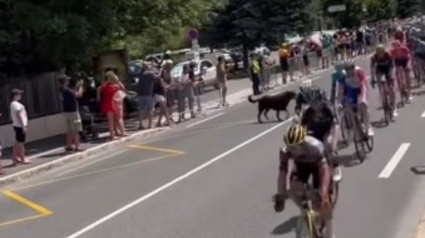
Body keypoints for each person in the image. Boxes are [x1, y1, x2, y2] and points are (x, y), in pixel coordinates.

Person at [274, 124, 334, 238]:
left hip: (319, 165)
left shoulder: (315, 146)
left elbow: (324, 170)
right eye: (290, 147)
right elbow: (283, 173)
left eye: (296, 147)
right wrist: (280, 196)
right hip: (302, 165)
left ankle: (330, 233)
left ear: (303, 143)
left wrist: (324, 192)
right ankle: (304, 210)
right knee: (292, 189)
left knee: (325, 200)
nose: (293, 150)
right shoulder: (284, 152)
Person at [295, 85, 341, 182]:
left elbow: (335, 126)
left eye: (316, 102)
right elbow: (302, 127)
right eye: (311, 102)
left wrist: (333, 143)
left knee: (328, 144)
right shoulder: (308, 112)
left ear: (321, 100)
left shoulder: (328, 109)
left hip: (327, 131)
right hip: (314, 134)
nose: (314, 104)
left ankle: (336, 166)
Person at [335, 60, 374, 136]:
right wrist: (339, 103)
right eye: (347, 69)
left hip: (360, 89)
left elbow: (363, 86)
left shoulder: (359, 72)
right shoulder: (343, 76)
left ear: (354, 68)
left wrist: (363, 99)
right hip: (352, 90)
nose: (350, 71)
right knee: (349, 106)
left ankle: (368, 126)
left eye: (351, 69)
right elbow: (341, 91)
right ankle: (355, 126)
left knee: (363, 106)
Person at [98, 70, 127, 140]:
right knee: (118, 118)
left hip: (107, 103)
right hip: (114, 103)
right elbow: (123, 89)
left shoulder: (104, 86)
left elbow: (99, 89)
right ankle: (121, 132)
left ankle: (113, 135)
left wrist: (98, 97)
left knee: (111, 120)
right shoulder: (115, 86)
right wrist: (118, 81)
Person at [59, 75, 85, 152]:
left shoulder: (61, 89)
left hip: (66, 111)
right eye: (67, 80)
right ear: (65, 81)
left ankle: (69, 145)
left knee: (69, 130)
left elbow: (72, 93)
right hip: (72, 111)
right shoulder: (67, 90)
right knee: (76, 130)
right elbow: (78, 95)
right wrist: (81, 87)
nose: (68, 81)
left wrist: (76, 86)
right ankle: (77, 146)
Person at [370, 44, 397, 118]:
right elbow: (372, 69)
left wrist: (392, 76)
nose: (380, 55)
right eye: (378, 53)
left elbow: (393, 66)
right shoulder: (374, 57)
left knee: (392, 89)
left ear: (384, 52)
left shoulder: (388, 55)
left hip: (388, 68)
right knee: (381, 87)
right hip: (380, 70)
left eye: (381, 53)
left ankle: (394, 108)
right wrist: (372, 79)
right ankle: (383, 98)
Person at [10, 89, 31, 165]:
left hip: (17, 125)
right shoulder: (15, 104)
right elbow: (19, 115)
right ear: (15, 95)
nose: (20, 95)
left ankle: (15, 158)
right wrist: (23, 126)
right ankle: (22, 158)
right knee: (21, 143)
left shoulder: (14, 104)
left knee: (17, 141)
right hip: (19, 125)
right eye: (19, 94)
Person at [136, 62, 157, 129]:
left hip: (140, 94)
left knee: (141, 110)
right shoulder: (150, 74)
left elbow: (144, 70)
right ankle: (150, 125)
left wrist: (150, 67)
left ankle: (140, 124)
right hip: (148, 93)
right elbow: (157, 77)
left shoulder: (140, 73)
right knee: (150, 109)